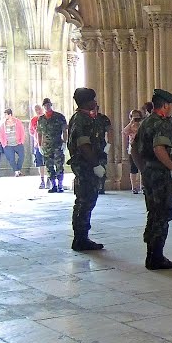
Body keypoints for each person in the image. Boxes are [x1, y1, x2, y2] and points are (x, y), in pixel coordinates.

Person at [131, 89, 172, 271]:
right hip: (161, 174)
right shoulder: (161, 123)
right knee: (161, 214)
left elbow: (134, 148)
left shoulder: (146, 122)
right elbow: (160, 149)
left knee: (153, 213)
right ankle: (156, 257)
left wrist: (143, 169)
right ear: (166, 105)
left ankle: (152, 255)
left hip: (150, 172)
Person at [67, 88, 107, 251]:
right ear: (86, 102)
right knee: (84, 201)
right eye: (93, 99)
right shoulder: (80, 119)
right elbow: (83, 145)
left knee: (87, 201)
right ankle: (80, 238)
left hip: (89, 165)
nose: (95, 102)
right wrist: (95, 165)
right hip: (85, 166)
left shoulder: (88, 118)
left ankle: (82, 237)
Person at [37, 100, 67, 191]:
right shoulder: (41, 119)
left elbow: (64, 130)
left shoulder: (59, 117)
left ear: (51, 105)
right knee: (49, 166)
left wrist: (65, 142)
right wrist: (40, 145)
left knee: (59, 165)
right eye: (45, 105)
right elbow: (39, 133)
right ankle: (53, 185)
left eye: (48, 105)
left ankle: (60, 185)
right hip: (46, 146)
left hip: (58, 144)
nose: (47, 106)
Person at [0, 108, 26, 177]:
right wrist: (3, 144)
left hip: (18, 143)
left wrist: (22, 141)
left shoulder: (17, 122)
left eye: (6, 115)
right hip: (8, 144)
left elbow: (22, 131)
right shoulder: (3, 124)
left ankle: (18, 169)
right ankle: (16, 171)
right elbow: (1, 134)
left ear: (10, 115)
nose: (5, 116)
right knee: (11, 159)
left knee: (22, 156)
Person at [122, 110, 143, 193]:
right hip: (133, 148)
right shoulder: (130, 125)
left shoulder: (142, 124)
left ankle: (143, 185)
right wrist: (131, 122)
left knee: (142, 167)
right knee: (133, 167)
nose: (136, 118)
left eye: (137, 116)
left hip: (142, 147)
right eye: (134, 116)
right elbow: (124, 132)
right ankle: (134, 187)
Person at [96, 109, 112, 194]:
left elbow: (109, 131)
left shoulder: (103, 118)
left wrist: (108, 144)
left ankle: (101, 186)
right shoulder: (84, 117)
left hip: (101, 145)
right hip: (88, 145)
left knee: (102, 165)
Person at [29, 105, 45, 188]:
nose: (37, 111)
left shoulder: (46, 118)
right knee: (40, 163)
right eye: (36, 110)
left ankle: (50, 179)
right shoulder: (33, 120)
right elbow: (31, 131)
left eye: (39, 109)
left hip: (48, 144)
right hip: (37, 144)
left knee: (49, 163)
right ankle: (42, 180)